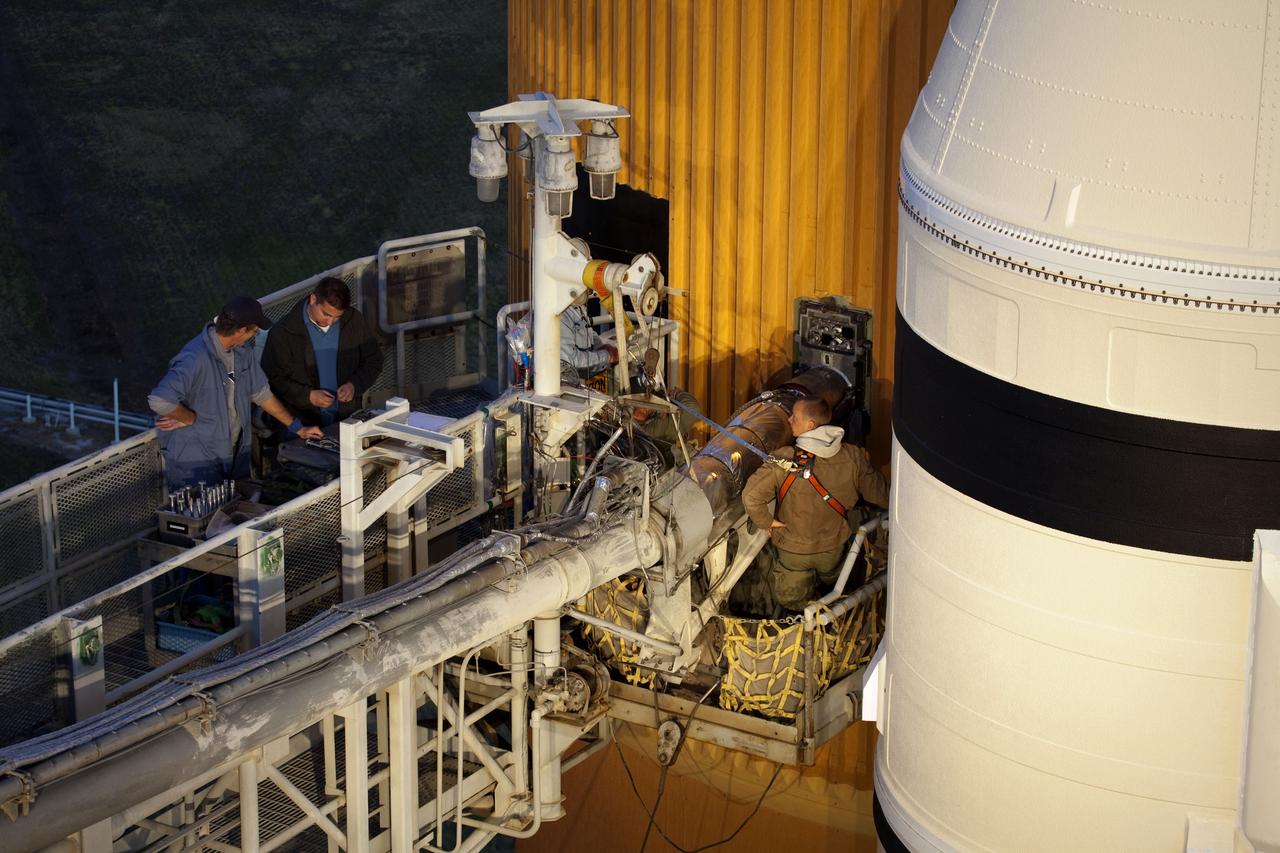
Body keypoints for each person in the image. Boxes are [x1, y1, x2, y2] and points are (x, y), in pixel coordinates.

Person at [149, 295, 323, 489]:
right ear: (241, 330)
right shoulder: (195, 358)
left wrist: (298, 428)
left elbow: (262, 395)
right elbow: (159, 400)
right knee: (203, 518)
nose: (255, 336)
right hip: (195, 466)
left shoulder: (243, 353)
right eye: (254, 331)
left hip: (234, 457)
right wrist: (189, 417)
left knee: (234, 513)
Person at [740, 395, 888, 613]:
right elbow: (881, 494)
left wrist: (767, 522)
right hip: (833, 549)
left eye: (794, 417)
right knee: (836, 597)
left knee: (794, 606)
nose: (789, 419)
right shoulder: (853, 457)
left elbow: (751, 497)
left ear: (810, 425)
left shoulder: (785, 459)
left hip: (793, 552)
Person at [260, 276, 384, 428]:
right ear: (313, 299)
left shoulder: (354, 320)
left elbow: (374, 360)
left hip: (348, 419)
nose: (330, 322)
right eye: (326, 314)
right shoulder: (282, 332)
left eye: (337, 317)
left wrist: (354, 385)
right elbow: (272, 378)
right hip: (301, 425)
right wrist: (308, 396)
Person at [560, 300, 617, 379]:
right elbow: (570, 361)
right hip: (565, 385)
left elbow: (587, 330)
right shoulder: (559, 314)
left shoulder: (577, 306)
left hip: (579, 381)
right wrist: (608, 356)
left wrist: (601, 346)